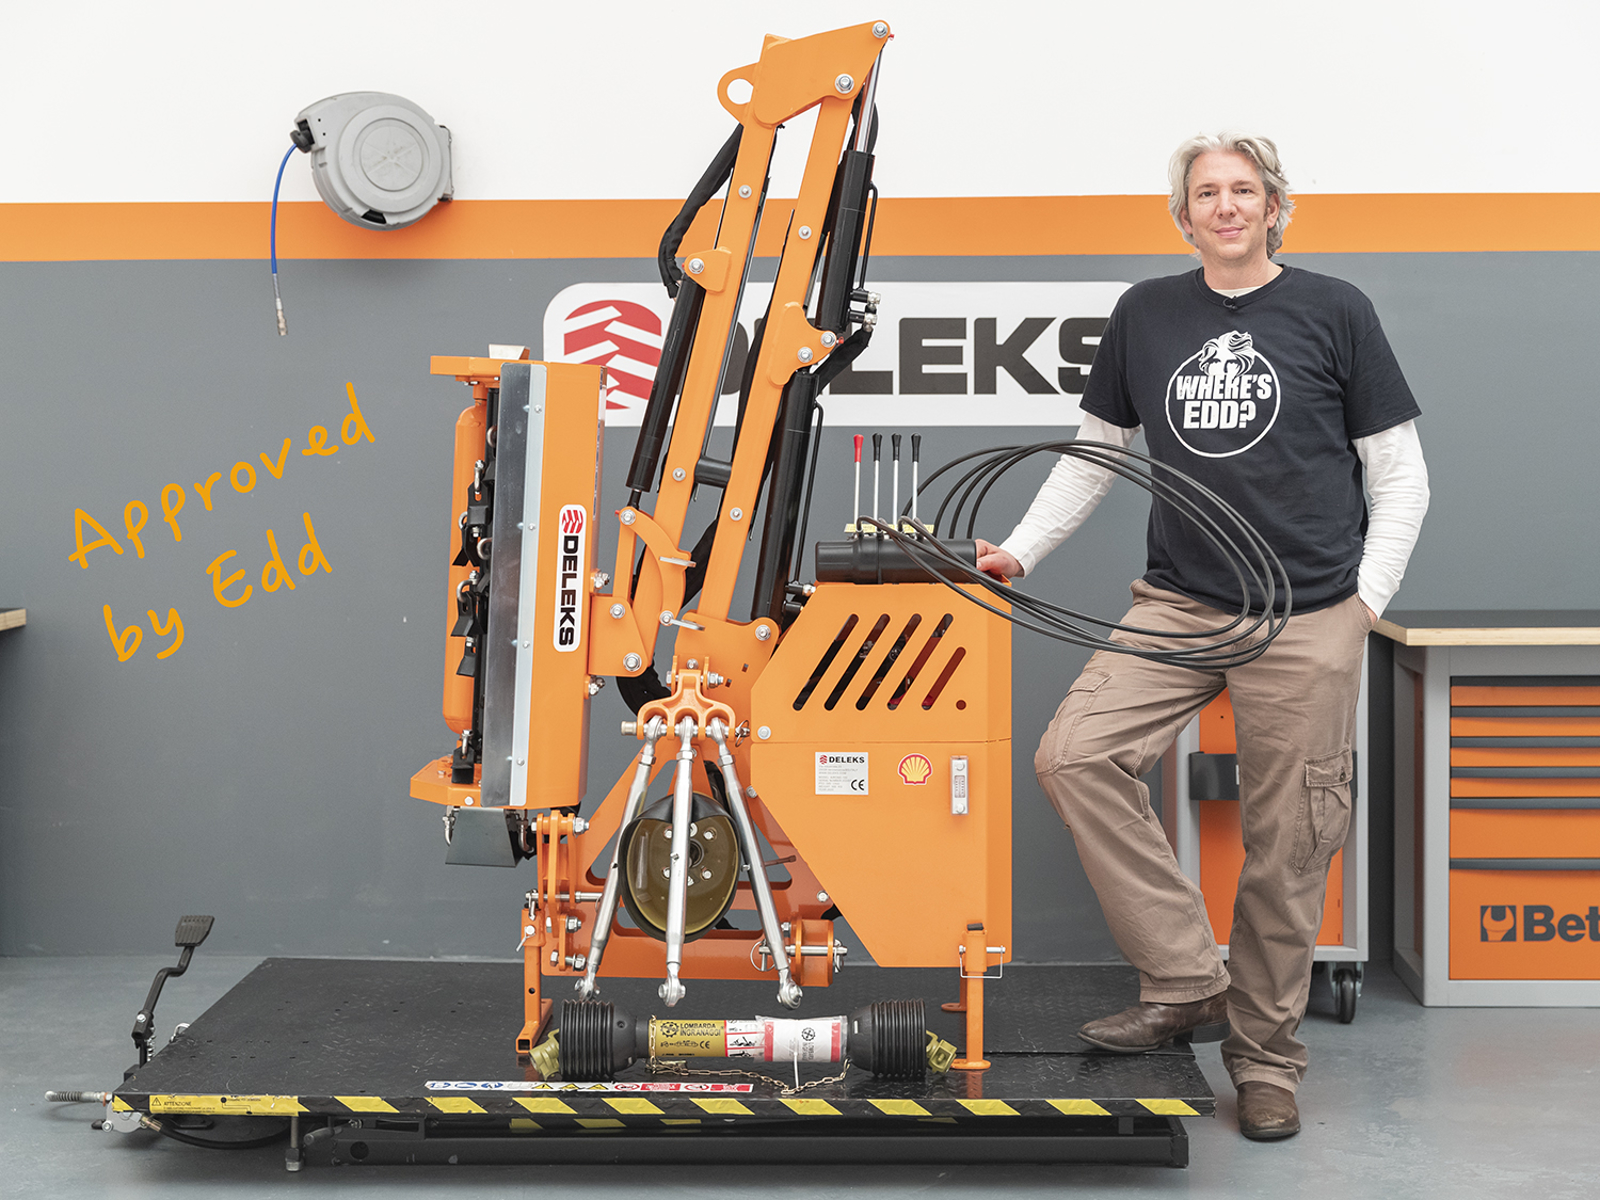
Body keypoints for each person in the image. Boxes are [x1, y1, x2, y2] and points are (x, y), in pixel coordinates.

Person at [976, 132, 1429, 1141]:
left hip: (1308, 613)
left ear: (1274, 206)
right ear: (1183, 217)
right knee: (1073, 755)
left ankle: (1265, 1064)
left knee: (1287, 846)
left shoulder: (1336, 310)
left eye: (1243, 190)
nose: (1226, 206)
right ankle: (1187, 977)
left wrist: (1361, 604)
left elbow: (1398, 472)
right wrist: (1020, 551)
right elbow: (1095, 453)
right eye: (1206, 193)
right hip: (1179, 603)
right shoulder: (1146, 313)